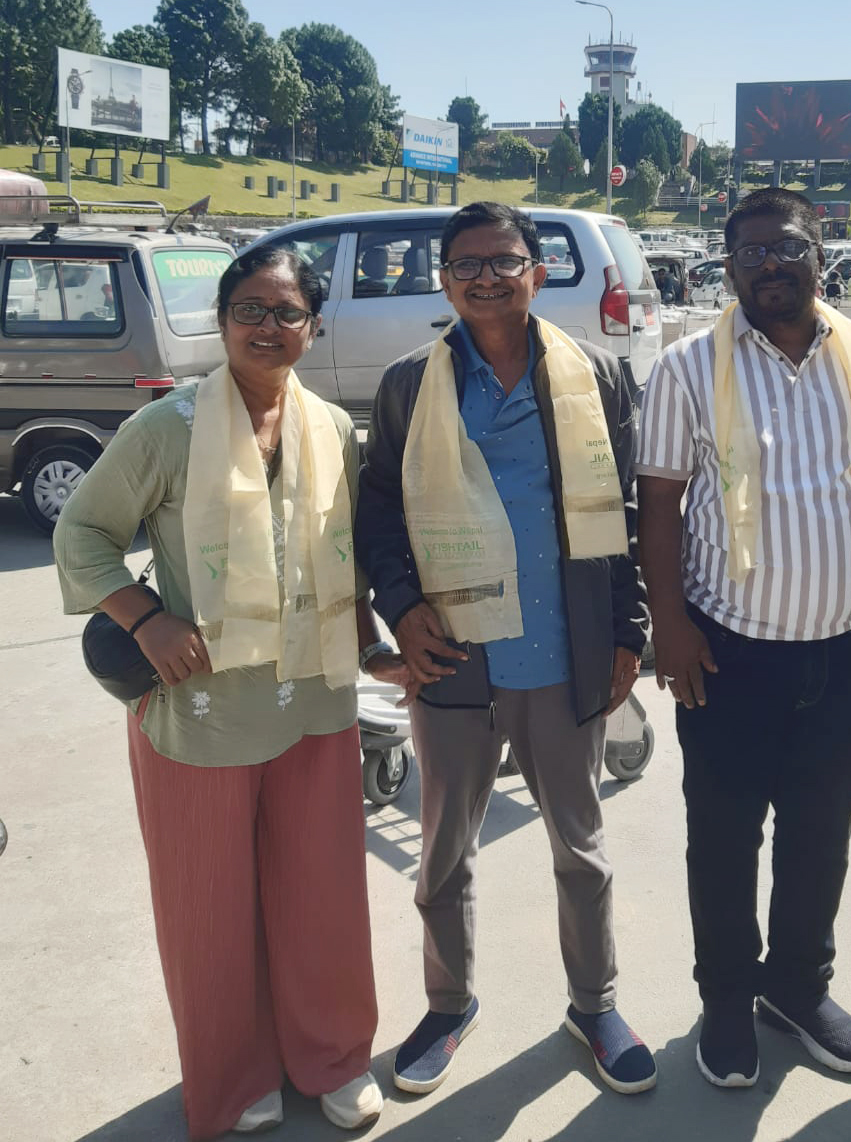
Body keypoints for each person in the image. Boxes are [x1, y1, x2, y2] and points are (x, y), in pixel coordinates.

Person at [53, 247, 399, 1138]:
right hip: (201, 709)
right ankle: (235, 1070)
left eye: (287, 312)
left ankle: (332, 1055)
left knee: (322, 895)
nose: (266, 326)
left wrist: (372, 644)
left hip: (312, 700)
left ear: (313, 325)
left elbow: (346, 558)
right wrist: (145, 620)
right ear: (221, 318)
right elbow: (82, 532)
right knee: (209, 905)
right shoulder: (166, 428)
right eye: (249, 308)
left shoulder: (332, 425)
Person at [354, 201, 657, 1097]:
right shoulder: (410, 385)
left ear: (537, 271)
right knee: (445, 850)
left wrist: (629, 630)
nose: (487, 277)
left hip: (564, 653)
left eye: (505, 261)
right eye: (467, 265)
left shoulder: (594, 374)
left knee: (581, 847)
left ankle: (594, 1004)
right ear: (444, 281)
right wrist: (401, 609)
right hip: (454, 658)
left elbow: (625, 513)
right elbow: (378, 511)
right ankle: (448, 1005)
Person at [637, 187, 851, 1088]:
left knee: (820, 832)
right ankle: (728, 1000)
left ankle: (798, 988)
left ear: (820, 254)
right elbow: (658, 504)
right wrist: (669, 624)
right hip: (729, 654)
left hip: (846, 651)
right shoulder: (687, 367)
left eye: (788, 247)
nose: (771, 265)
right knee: (724, 839)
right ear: (729, 269)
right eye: (752, 253)